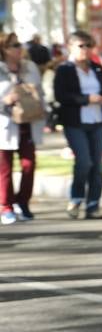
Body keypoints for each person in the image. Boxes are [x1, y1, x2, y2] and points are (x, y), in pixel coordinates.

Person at [53, 30, 102, 219]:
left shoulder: (97, 67)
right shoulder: (65, 69)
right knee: (84, 162)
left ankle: (93, 205)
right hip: (75, 122)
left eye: (89, 46)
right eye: (81, 46)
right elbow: (61, 96)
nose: (85, 50)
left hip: (96, 121)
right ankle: (76, 198)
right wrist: (87, 99)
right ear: (70, 47)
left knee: (97, 165)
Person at [0, 32, 43, 223]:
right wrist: (5, 101)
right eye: (14, 45)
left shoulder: (30, 67)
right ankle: (6, 206)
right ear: (4, 49)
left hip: (28, 121)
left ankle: (22, 202)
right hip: (4, 124)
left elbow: (41, 92)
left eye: (19, 45)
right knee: (4, 168)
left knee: (29, 164)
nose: (19, 49)